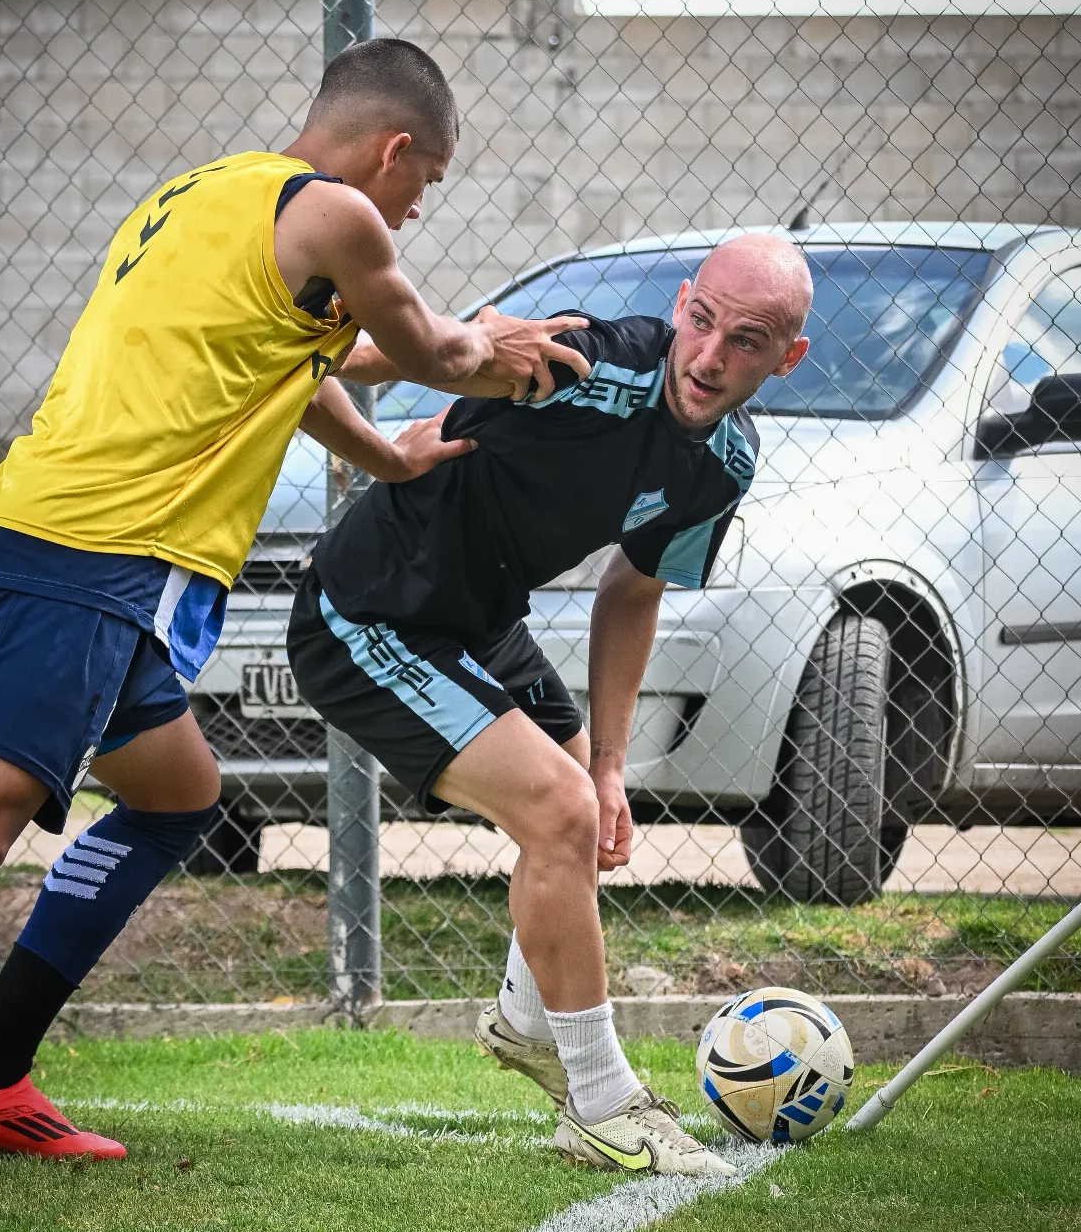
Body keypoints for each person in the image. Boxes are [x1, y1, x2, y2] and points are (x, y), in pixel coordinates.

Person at [0, 37, 592, 1160]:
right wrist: (495, 349)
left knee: (177, 797)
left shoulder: (198, 194)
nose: (414, 214)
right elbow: (424, 346)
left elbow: (293, 363)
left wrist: (391, 460)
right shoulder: (339, 217)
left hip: (64, 543)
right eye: (429, 184)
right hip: (87, 549)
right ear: (395, 149)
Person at [287, 232, 812, 1176]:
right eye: (702, 321)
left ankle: (528, 1023)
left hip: (480, 617)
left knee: (590, 811)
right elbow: (450, 351)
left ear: (787, 357)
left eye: (748, 340)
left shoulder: (723, 463)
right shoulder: (596, 360)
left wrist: (610, 761)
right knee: (561, 812)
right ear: (682, 302)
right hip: (371, 609)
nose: (708, 356)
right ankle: (604, 1100)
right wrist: (308, 350)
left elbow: (632, 591)